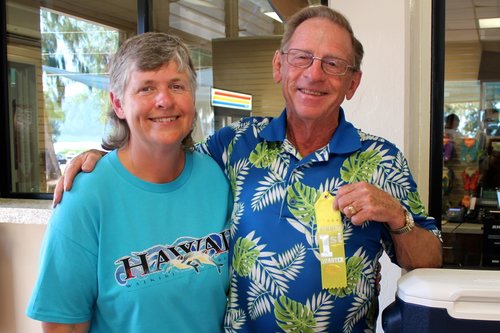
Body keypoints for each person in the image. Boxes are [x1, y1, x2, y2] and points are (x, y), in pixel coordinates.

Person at [53, 6, 442, 333]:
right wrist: (105, 158)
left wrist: (397, 216)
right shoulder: (234, 145)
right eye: (301, 57)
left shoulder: (382, 158)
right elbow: (163, 151)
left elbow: (428, 260)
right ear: (279, 66)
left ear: (352, 83)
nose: (314, 74)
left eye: (333, 64)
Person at [27, 32, 232, 333]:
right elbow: (63, 326)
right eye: (146, 88)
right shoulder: (85, 196)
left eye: (177, 85)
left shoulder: (216, 177)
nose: (164, 100)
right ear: (118, 104)